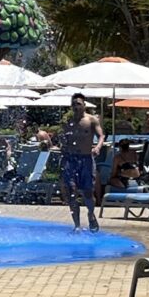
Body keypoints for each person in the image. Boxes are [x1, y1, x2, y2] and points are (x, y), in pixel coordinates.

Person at [57, 97, 105, 230]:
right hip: (71, 160)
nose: (76, 107)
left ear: (84, 105)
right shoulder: (69, 122)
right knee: (71, 191)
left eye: (78, 104)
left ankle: (91, 214)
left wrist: (98, 147)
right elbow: (63, 139)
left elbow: (101, 136)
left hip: (86, 159)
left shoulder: (91, 120)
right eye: (73, 105)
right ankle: (77, 225)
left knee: (88, 193)